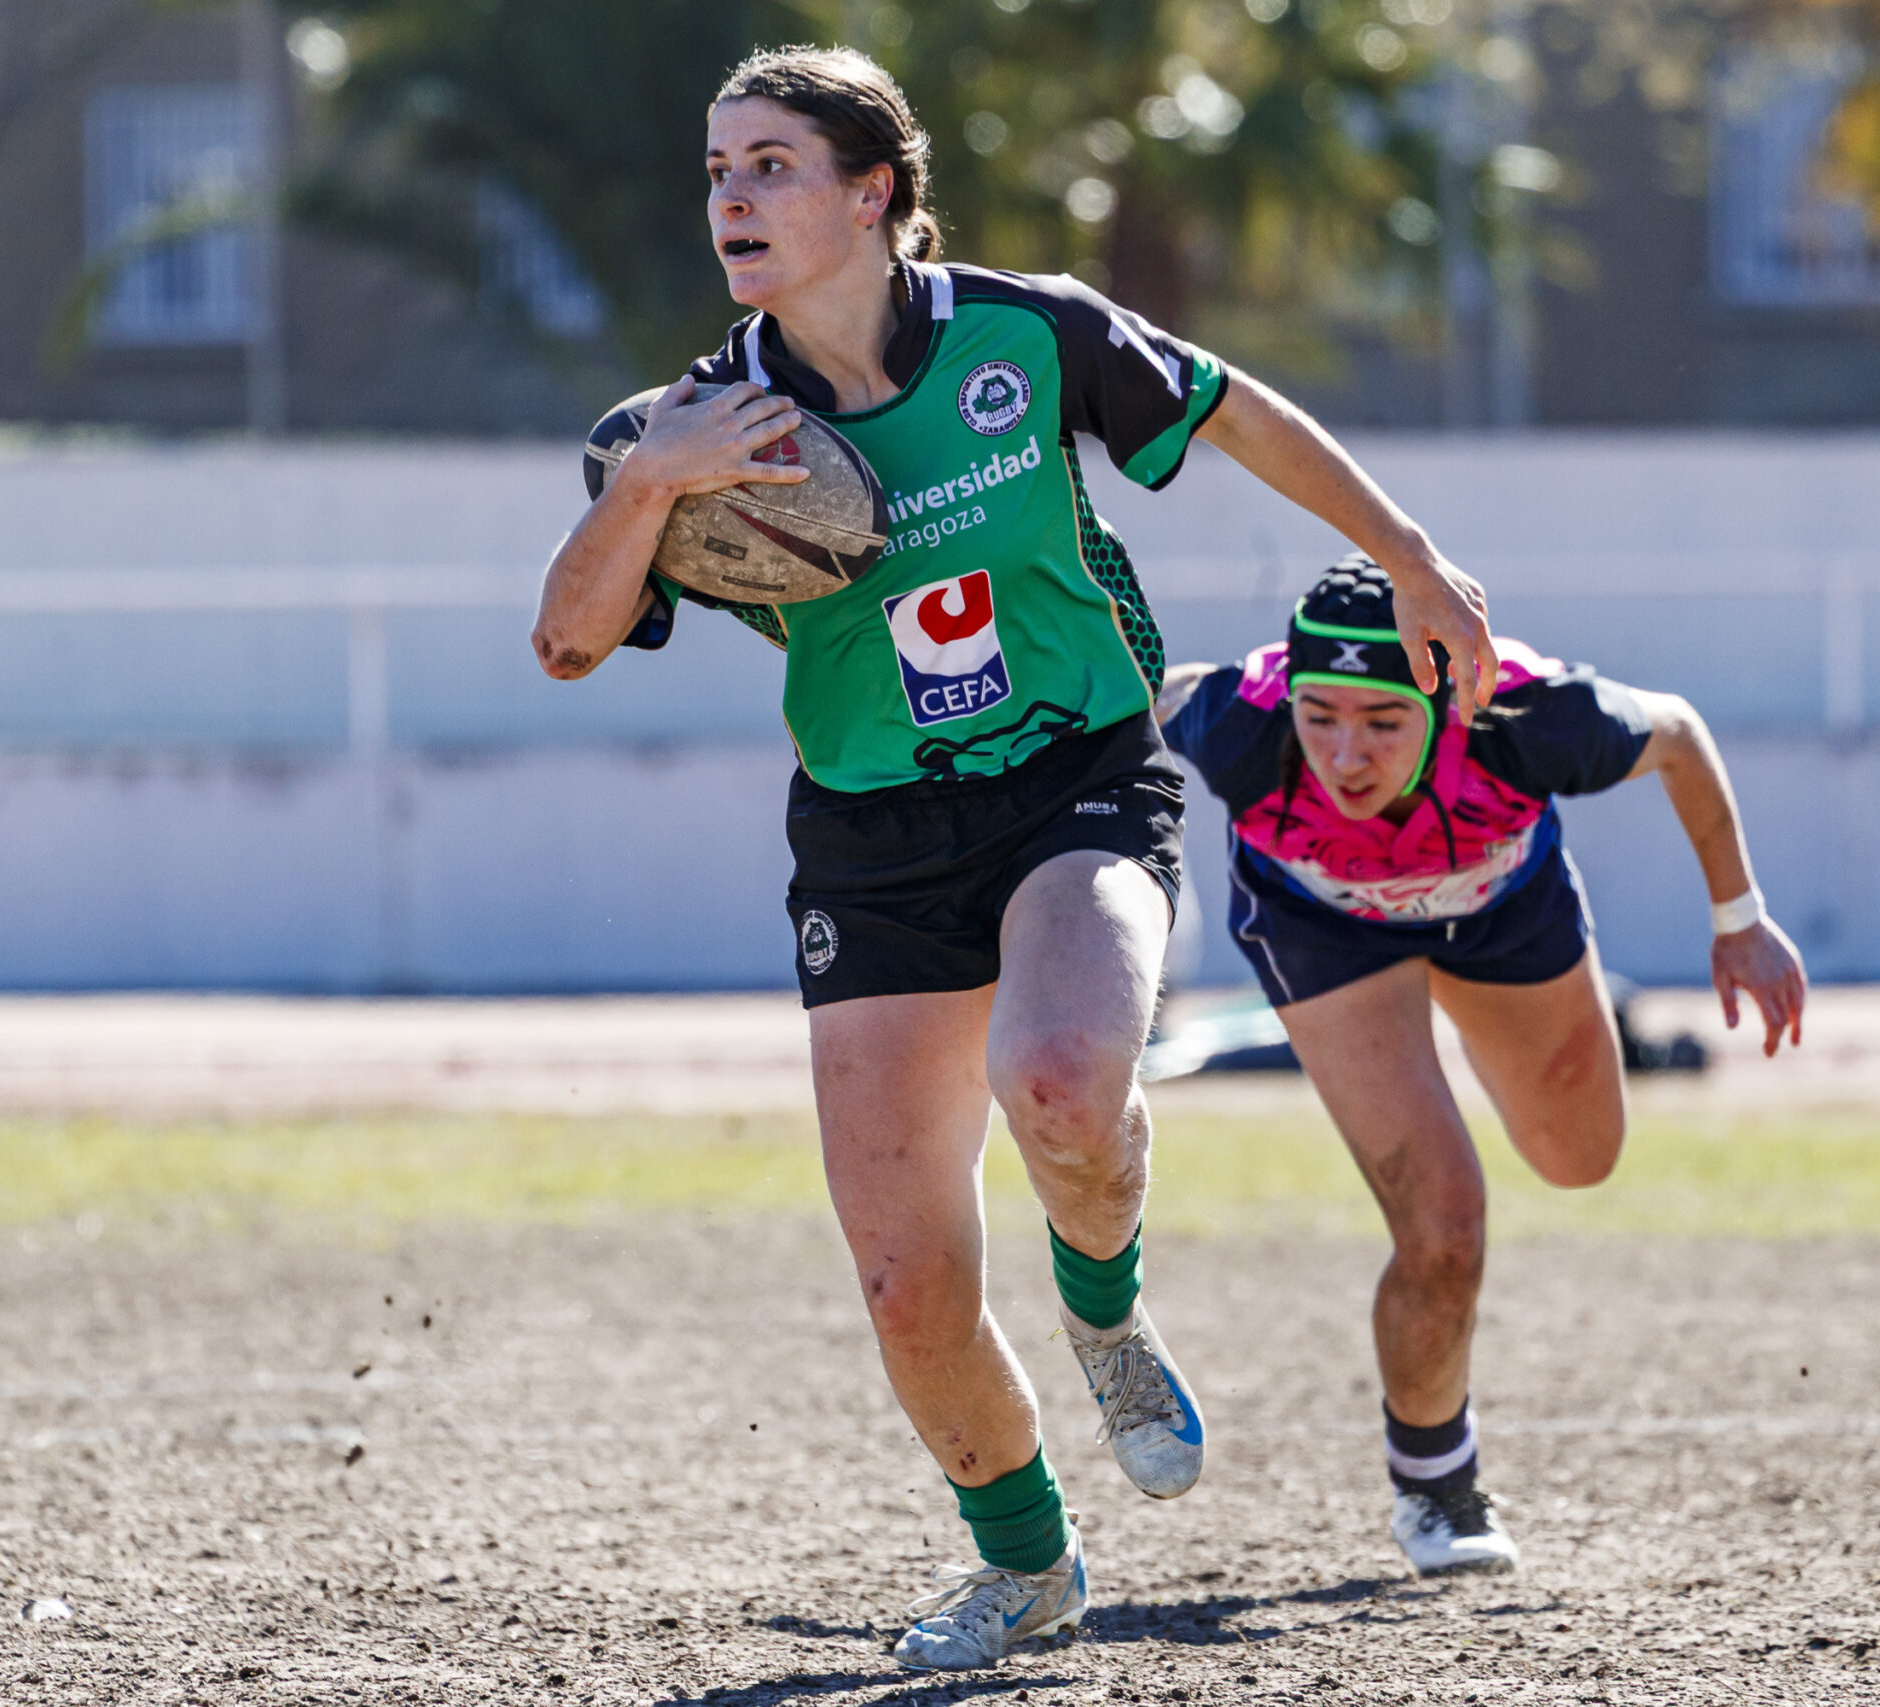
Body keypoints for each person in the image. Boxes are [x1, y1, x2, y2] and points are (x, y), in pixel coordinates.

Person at [527, 47, 1498, 1670]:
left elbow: (1236, 410)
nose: (733, 199)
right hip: (871, 844)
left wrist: (1409, 559)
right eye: (716, 172)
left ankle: (1104, 1303)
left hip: (1076, 780)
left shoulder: (1025, 334)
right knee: (907, 1279)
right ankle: (1028, 1566)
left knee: (1060, 1073)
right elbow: (568, 642)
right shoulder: (686, 428)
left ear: (872, 192)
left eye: (770, 165)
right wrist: (647, 485)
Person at [1157, 555, 1808, 1577]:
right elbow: (1131, 690)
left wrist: (1739, 920)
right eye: (1320, 716)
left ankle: (1465, 1040)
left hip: (1503, 911)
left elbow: (1677, 733)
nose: (1343, 754)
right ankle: (1434, 1488)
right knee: (1444, 1225)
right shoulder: (1240, 724)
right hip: (1325, 931)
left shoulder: (1524, 717)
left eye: (1381, 722)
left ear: (1446, 694)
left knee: (1579, 1158)